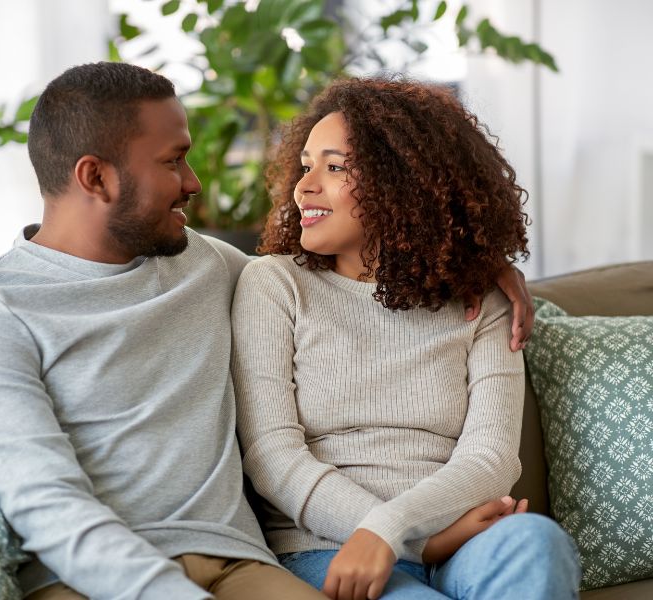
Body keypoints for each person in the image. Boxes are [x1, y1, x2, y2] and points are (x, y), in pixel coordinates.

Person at [0, 63, 536, 599]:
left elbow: (346, 281)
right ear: (96, 178)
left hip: (242, 566)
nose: (194, 182)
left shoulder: (209, 266)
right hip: (85, 581)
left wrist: (479, 264)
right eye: (173, 161)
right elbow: (47, 509)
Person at [231, 77, 581, 600]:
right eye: (306, 166)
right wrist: (419, 543)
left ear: (404, 183)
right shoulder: (274, 285)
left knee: (535, 541)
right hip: (325, 547)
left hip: (462, 541)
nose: (304, 186)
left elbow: (491, 459)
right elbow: (272, 456)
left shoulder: (481, 300)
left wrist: (394, 532)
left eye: (335, 167)